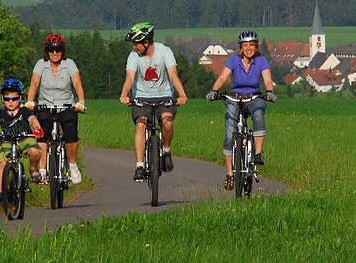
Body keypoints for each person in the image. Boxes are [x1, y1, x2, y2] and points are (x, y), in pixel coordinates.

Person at [205, 30, 276, 189]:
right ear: (241, 48)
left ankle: (257, 153)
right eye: (245, 45)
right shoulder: (233, 60)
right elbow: (223, 77)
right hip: (234, 97)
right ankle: (230, 173)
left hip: (254, 97)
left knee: (258, 114)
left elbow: (267, 79)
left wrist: (269, 92)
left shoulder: (262, 61)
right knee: (230, 134)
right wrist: (214, 91)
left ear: (256, 46)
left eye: (252, 45)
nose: (249, 48)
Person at [118, 22, 188, 181]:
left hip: (164, 96)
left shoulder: (165, 51)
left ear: (146, 41)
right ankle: (140, 166)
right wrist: (124, 94)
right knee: (141, 125)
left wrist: (182, 95)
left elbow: (173, 75)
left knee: (167, 122)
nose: (134, 46)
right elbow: (130, 77)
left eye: (136, 43)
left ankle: (166, 149)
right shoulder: (133, 56)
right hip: (142, 97)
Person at [25, 33, 86, 184]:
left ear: (62, 50)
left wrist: (81, 101)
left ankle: (72, 165)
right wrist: (30, 101)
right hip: (45, 105)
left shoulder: (69, 64)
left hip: (65, 105)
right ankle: (43, 170)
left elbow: (77, 83)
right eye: (51, 50)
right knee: (42, 135)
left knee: (70, 132)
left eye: (58, 49)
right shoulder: (40, 64)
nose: (54, 53)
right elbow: (34, 84)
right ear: (47, 52)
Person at [0, 78, 43, 205]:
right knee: (3, 164)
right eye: (7, 98)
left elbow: (32, 120)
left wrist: (37, 128)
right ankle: (1, 193)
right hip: (7, 142)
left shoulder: (25, 111)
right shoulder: (0, 113)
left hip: (25, 139)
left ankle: (33, 169)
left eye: (14, 98)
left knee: (35, 151)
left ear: (20, 98)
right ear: (3, 98)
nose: (10, 102)